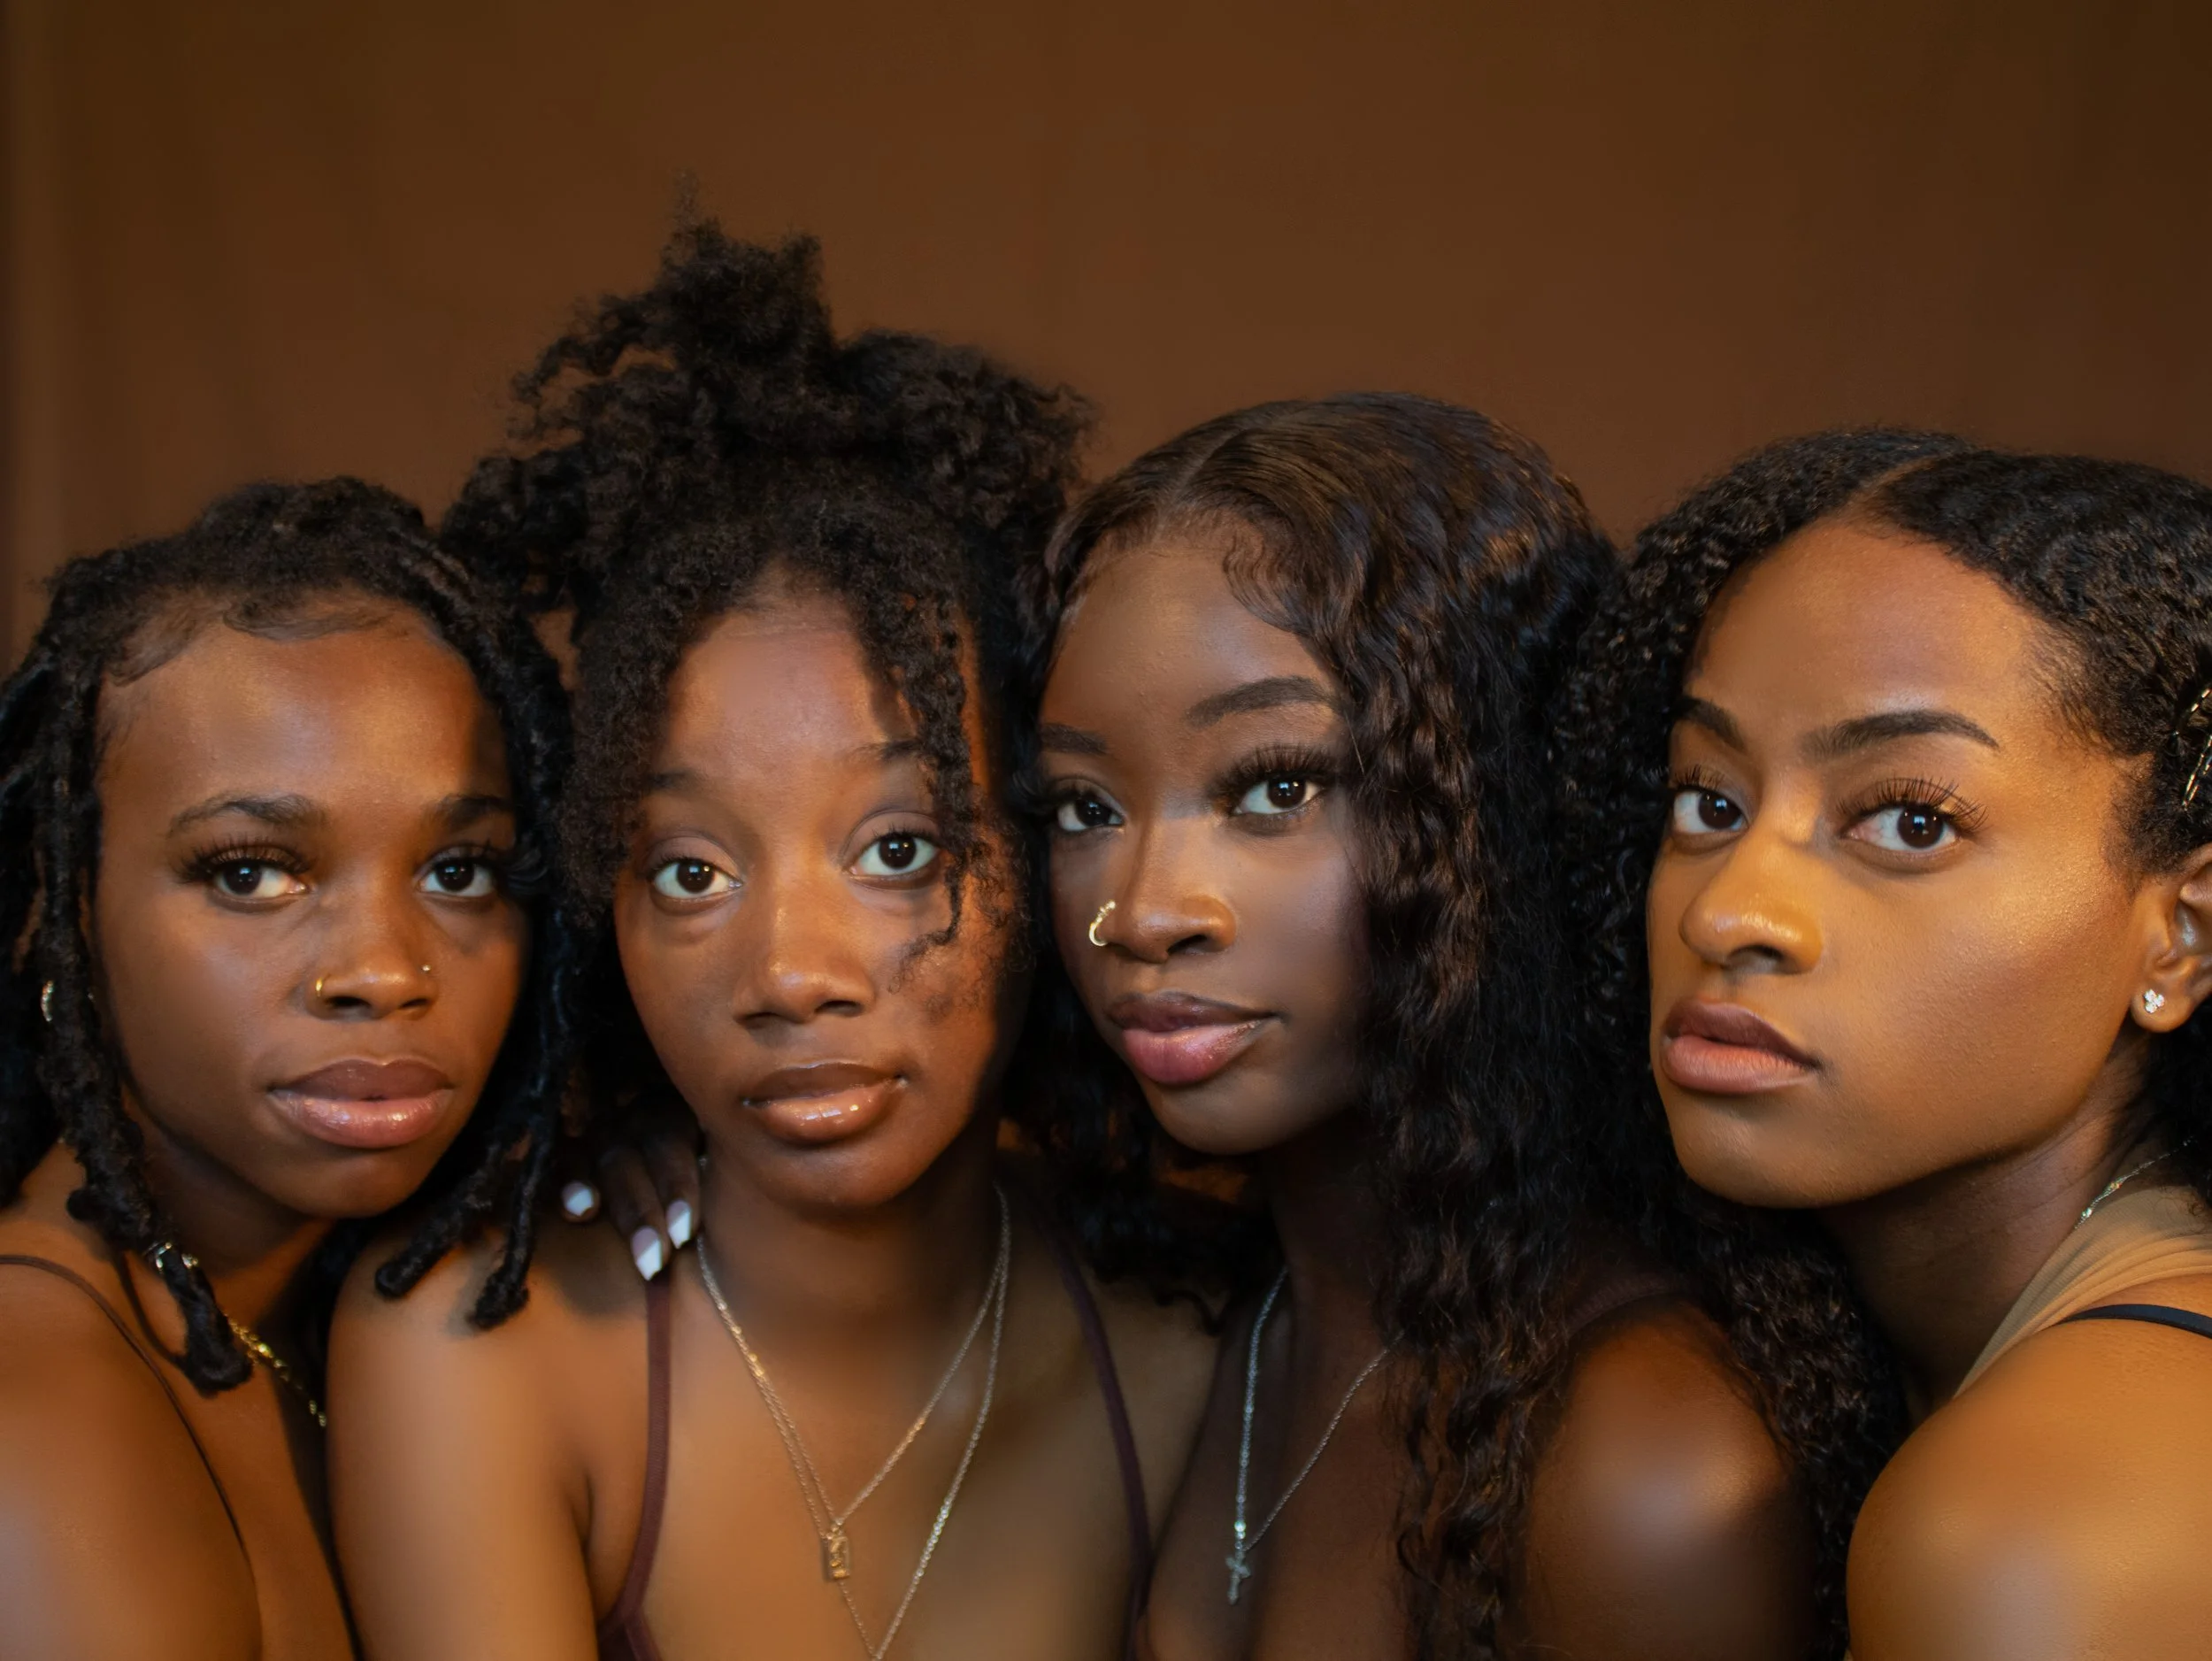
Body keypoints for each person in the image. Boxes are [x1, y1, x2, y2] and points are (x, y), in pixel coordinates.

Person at [328, 226, 1218, 1661]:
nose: (793, 974)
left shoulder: (1189, 1356)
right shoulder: (482, 1355)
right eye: (688, 869)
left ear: (1038, 852)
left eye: (899, 849)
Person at [1021, 395, 1834, 1661]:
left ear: (1491, 809)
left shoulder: (1644, 1460)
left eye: (1274, 787)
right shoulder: (1241, 1316)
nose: (1144, 911)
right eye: (1081, 807)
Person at [1557, 431, 2212, 1657]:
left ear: (2180, 938)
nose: (1728, 910)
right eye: (1710, 800)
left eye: (1910, 821)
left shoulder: (2033, 1523)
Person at [0, 479, 572, 1657]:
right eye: (253, 872)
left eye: (459, 871)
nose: (381, 970)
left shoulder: (315, 1319)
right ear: (65, 912)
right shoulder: (37, 1401)